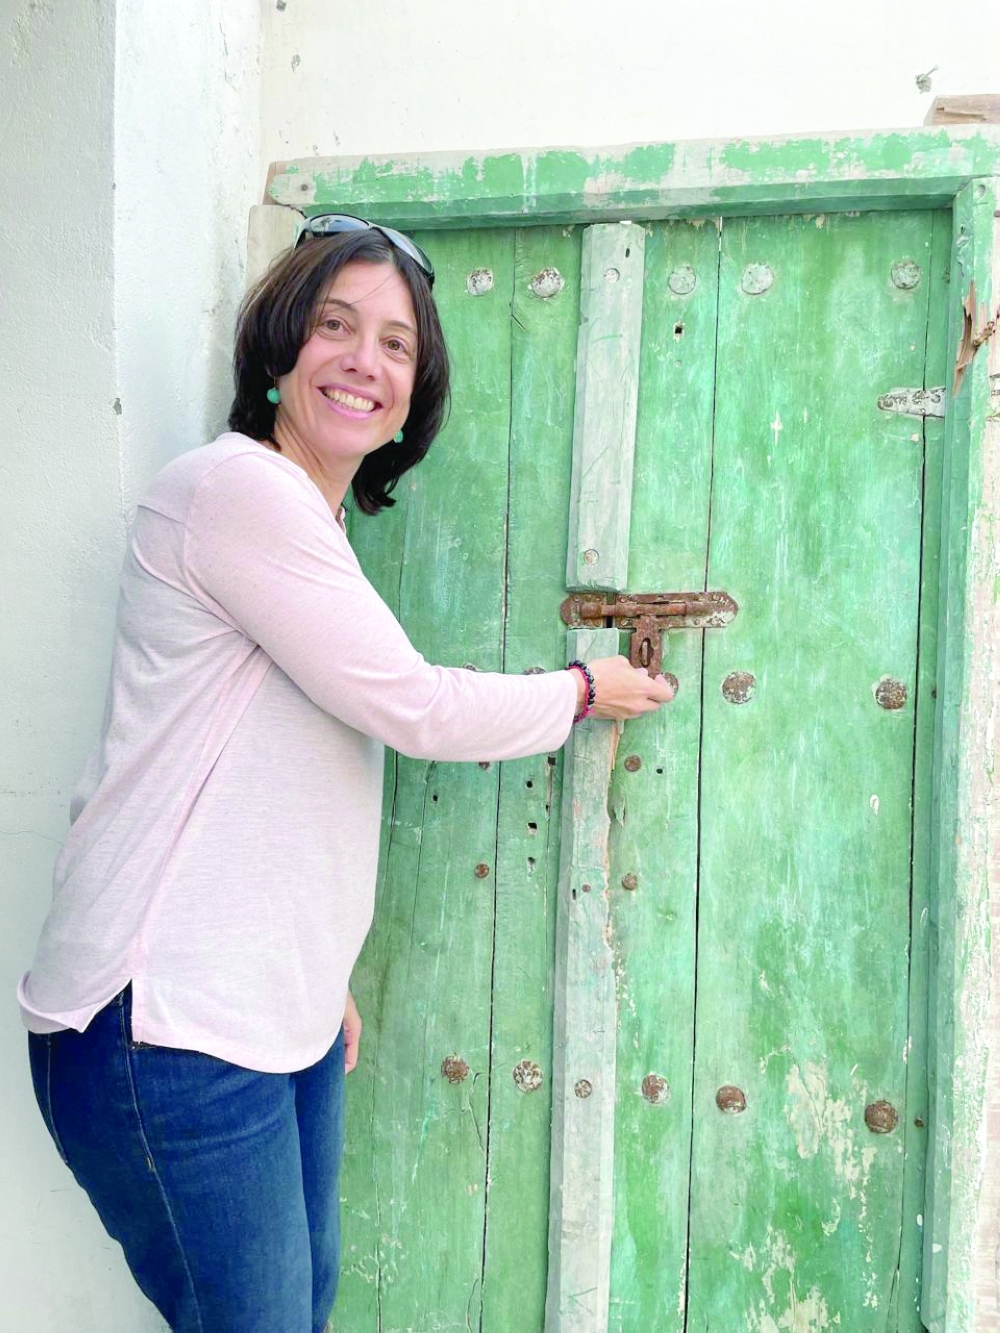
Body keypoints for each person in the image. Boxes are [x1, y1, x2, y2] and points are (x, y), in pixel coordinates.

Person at [19, 216, 674, 1333]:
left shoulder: (306, 529)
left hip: (262, 1013)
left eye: (396, 345)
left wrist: (310, 967)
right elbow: (408, 705)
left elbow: (272, 779)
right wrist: (578, 691)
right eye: (334, 327)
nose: (364, 361)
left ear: (414, 395)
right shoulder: (240, 492)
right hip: (161, 1025)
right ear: (278, 348)